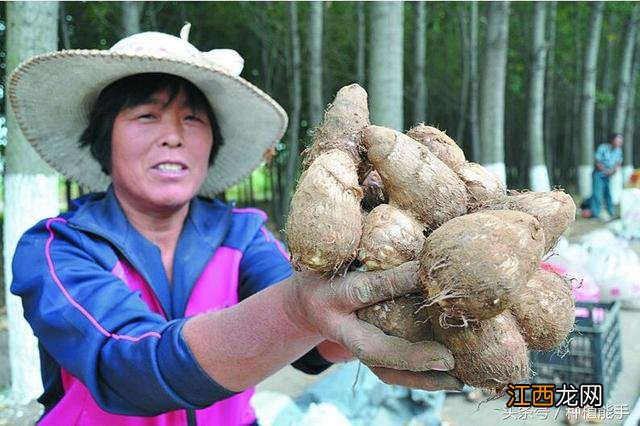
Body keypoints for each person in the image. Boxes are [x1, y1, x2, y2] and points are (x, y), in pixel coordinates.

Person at [7, 25, 460, 425]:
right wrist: (298, 310)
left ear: (211, 144)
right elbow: (126, 367)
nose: (173, 135)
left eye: (192, 118)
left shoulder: (240, 234)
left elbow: (305, 338)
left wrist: (369, 318)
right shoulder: (58, 247)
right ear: (104, 137)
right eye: (146, 116)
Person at [589, 133, 624, 221]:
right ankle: (595, 215)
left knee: (608, 194)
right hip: (598, 174)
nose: (620, 142)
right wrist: (605, 171)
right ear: (612, 140)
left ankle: (611, 213)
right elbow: (597, 161)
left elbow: (618, 163)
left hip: (609, 175)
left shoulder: (619, 151)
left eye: (621, 141)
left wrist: (612, 172)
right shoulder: (603, 147)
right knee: (597, 194)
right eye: (618, 140)